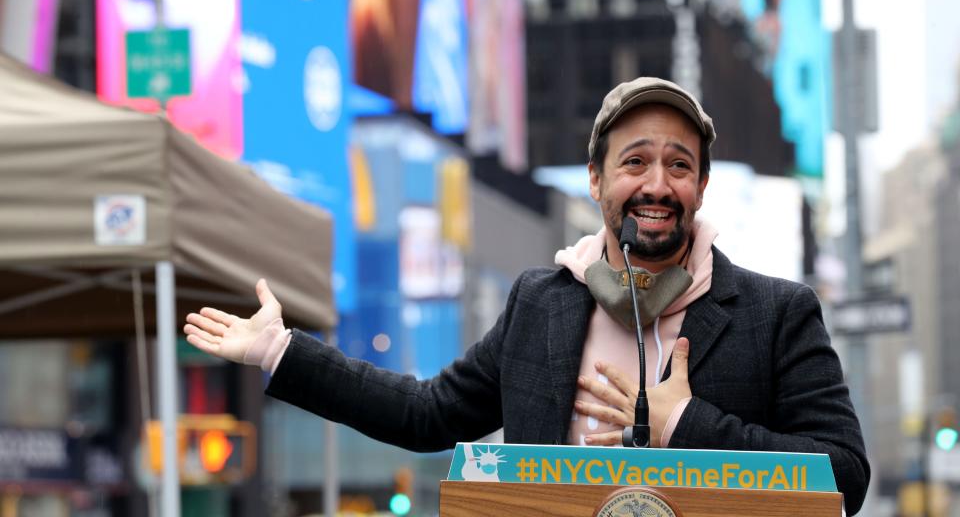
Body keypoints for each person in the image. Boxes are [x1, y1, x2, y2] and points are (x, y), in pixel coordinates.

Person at [184, 77, 869, 514]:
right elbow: (426, 415)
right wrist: (281, 351)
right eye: (635, 162)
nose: (657, 185)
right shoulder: (543, 304)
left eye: (679, 165)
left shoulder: (776, 314)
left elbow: (845, 474)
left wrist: (690, 428)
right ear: (596, 182)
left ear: (700, 188)